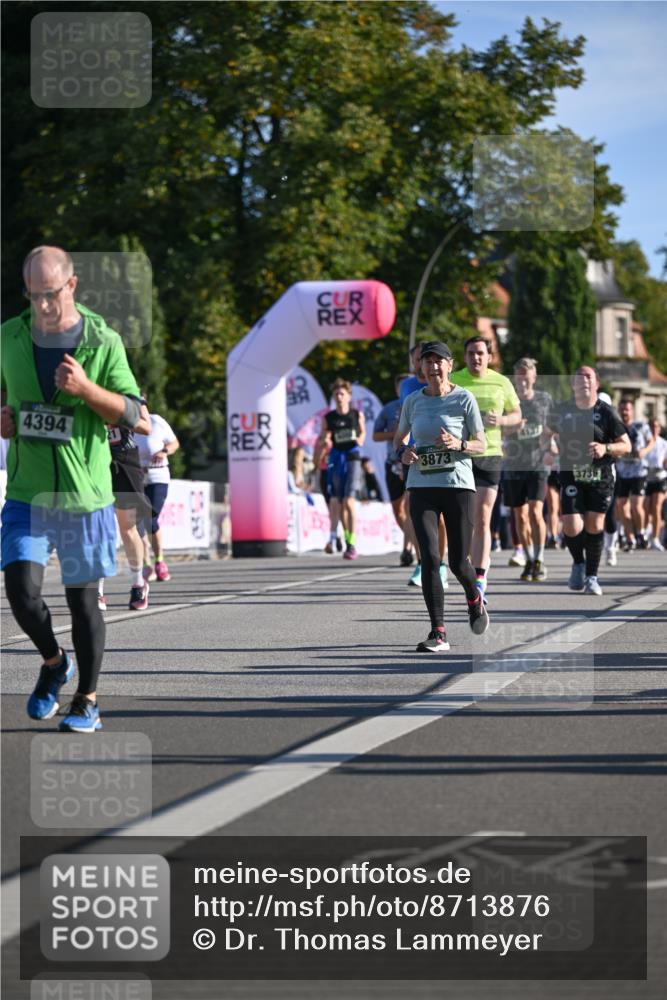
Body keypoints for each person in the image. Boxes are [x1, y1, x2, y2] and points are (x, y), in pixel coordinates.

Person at [1, 245, 142, 732]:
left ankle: (87, 699)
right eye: (34, 295)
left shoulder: (103, 340)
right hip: (28, 492)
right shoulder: (10, 336)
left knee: (83, 603)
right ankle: (54, 661)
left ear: (73, 285)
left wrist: (86, 390)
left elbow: (134, 413)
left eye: (52, 293)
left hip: (85, 497)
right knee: (21, 592)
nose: (43, 304)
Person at [394, 341, 489, 651]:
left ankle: (474, 598)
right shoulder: (413, 401)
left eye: (439, 361)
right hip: (421, 486)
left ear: (450, 366)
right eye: (427, 361)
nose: (433, 366)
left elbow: (481, 444)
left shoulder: (464, 398)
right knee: (430, 558)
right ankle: (438, 631)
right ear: (420, 367)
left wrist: (458, 444)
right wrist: (404, 453)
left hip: (458, 485)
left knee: (459, 563)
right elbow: (399, 439)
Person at [544, 366, 630, 595]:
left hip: (600, 476)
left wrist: (605, 448)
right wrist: (550, 447)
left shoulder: (607, 412)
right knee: (571, 525)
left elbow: (626, 445)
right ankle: (578, 563)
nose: (583, 380)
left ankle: (592, 577)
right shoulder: (562, 410)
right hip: (571, 474)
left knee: (594, 525)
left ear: (596, 384)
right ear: (573, 385)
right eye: (578, 377)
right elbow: (546, 433)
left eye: (588, 376)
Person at [450, 335, 522, 599]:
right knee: (463, 517)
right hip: (460, 454)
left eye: (480, 353)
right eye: (470, 353)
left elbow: (517, 415)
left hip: (490, 453)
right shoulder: (454, 379)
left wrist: (500, 420)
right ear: (465, 356)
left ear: (489, 357)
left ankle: (480, 577)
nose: (475, 358)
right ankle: (463, 564)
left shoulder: (501, 382)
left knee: (482, 515)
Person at [400, 344, 449, 589]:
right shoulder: (407, 386)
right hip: (415, 457)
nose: (423, 364)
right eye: (418, 359)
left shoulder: (444, 382)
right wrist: (402, 450)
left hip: (442, 455)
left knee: (441, 517)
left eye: (427, 359)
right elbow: (403, 423)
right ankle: (423, 562)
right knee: (414, 512)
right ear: (414, 362)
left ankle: (441, 564)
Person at [97, 398, 152, 612]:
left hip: (123, 460)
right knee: (98, 527)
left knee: (127, 528)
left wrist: (116, 415)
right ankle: (97, 590)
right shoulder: (82, 386)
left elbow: (146, 426)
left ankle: (138, 584)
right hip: (93, 460)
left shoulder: (128, 391)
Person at [502, 358, 553, 581]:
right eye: (519, 373)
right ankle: (530, 558)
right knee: (520, 517)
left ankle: (539, 559)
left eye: (526, 373)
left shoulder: (544, 399)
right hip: (514, 465)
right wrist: (511, 427)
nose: (523, 378)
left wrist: (551, 441)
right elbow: (497, 429)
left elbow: (555, 425)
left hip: (538, 464)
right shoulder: (508, 400)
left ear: (534, 377)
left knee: (535, 512)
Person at [314, 378, 366, 560]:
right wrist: (324, 440)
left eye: (342, 394)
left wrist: (360, 439)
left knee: (349, 501)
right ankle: (346, 540)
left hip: (352, 457)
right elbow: (323, 436)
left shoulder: (356, 414)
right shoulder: (328, 418)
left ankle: (352, 544)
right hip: (336, 458)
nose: (339, 397)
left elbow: (362, 433)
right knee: (338, 501)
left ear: (349, 396)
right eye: (336, 394)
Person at [372, 372, 414, 564]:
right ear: (398, 389)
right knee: (398, 510)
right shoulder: (388, 409)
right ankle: (413, 539)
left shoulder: (420, 403)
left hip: (413, 461)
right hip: (393, 462)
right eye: (402, 386)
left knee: (411, 506)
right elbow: (375, 435)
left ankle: (408, 548)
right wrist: (395, 433)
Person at [135, 407, 180, 581]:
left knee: (150, 518)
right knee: (137, 522)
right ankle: (146, 565)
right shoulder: (124, 424)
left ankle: (159, 561)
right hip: (135, 478)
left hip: (157, 476)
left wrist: (164, 452)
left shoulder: (156, 421)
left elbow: (174, 443)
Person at [614, 398, 654, 550]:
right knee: (622, 506)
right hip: (622, 471)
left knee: (637, 506)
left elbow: (651, 441)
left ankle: (641, 533)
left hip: (638, 471)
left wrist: (644, 451)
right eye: (622, 409)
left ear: (632, 410)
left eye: (627, 409)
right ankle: (630, 538)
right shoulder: (615, 426)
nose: (625, 412)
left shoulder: (641, 426)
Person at [644, 417, 667, 549]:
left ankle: (656, 538)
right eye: (652, 426)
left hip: (660, 478)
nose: (654, 428)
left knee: (657, 506)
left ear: (659, 428)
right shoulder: (644, 442)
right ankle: (646, 533)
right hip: (646, 479)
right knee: (646, 508)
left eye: (656, 426)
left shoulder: (664, 444)